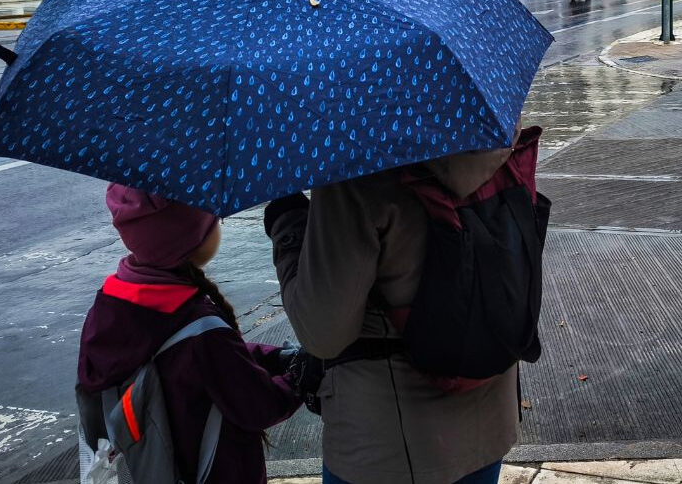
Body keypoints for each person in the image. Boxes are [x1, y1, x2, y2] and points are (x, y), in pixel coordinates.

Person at [264, 140, 531, 484]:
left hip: (388, 446)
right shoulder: (491, 136)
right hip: (489, 417)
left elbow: (322, 332)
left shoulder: (352, 166)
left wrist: (289, 226)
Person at [78, 184, 301, 484]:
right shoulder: (200, 329)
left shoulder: (110, 302)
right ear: (191, 240)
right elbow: (259, 405)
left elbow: (203, 364)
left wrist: (275, 357)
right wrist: (302, 377)